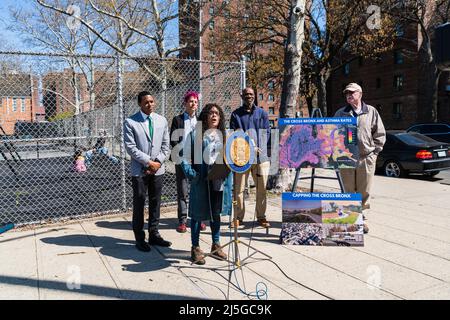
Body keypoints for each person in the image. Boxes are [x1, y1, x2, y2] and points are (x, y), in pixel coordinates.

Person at [181, 103, 232, 265]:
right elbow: (183, 157)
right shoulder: (196, 135)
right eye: (210, 113)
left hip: (219, 180)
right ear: (205, 116)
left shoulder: (224, 135)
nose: (214, 115)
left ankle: (215, 246)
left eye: (217, 113)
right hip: (201, 180)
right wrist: (192, 174)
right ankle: (195, 248)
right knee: (197, 215)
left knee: (216, 213)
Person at [334, 83, 386, 234]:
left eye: (352, 92)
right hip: (346, 159)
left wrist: (375, 153)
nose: (349, 95)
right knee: (349, 190)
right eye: (346, 93)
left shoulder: (371, 111)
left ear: (360, 94)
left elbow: (380, 133)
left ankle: (363, 220)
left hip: (366, 158)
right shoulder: (340, 113)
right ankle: (351, 220)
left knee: (364, 191)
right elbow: (333, 135)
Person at [124, 91, 171, 252]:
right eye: (146, 102)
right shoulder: (130, 122)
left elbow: (166, 145)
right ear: (140, 104)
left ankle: (154, 234)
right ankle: (139, 238)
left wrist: (157, 162)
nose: (150, 104)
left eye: (152, 101)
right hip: (140, 171)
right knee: (139, 203)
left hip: (158, 170)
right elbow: (130, 148)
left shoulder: (162, 120)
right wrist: (148, 162)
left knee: (155, 202)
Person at [230, 87, 271, 228]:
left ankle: (261, 217)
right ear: (242, 96)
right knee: (239, 189)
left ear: (254, 96)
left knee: (261, 189)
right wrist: (249, 149)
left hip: (261, 158)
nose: (249, 96)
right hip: (242, 159)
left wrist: (259, 148)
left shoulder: (262, 113)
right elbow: (235, 135)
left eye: (251, 94)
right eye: (246, 94)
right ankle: (238, 218)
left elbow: (266, 133)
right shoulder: (235, 115)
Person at [170, 91, 206, 233]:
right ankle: (183, 221)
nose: (193, 104)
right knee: (182, 191)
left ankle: (199, 219)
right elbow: (173, 140)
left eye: (195, 102)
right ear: (185, 103)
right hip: (182, 160)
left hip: (197, 160)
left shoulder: (200, 121)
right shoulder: (177, 120)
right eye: (190, 101)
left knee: (198, 190)